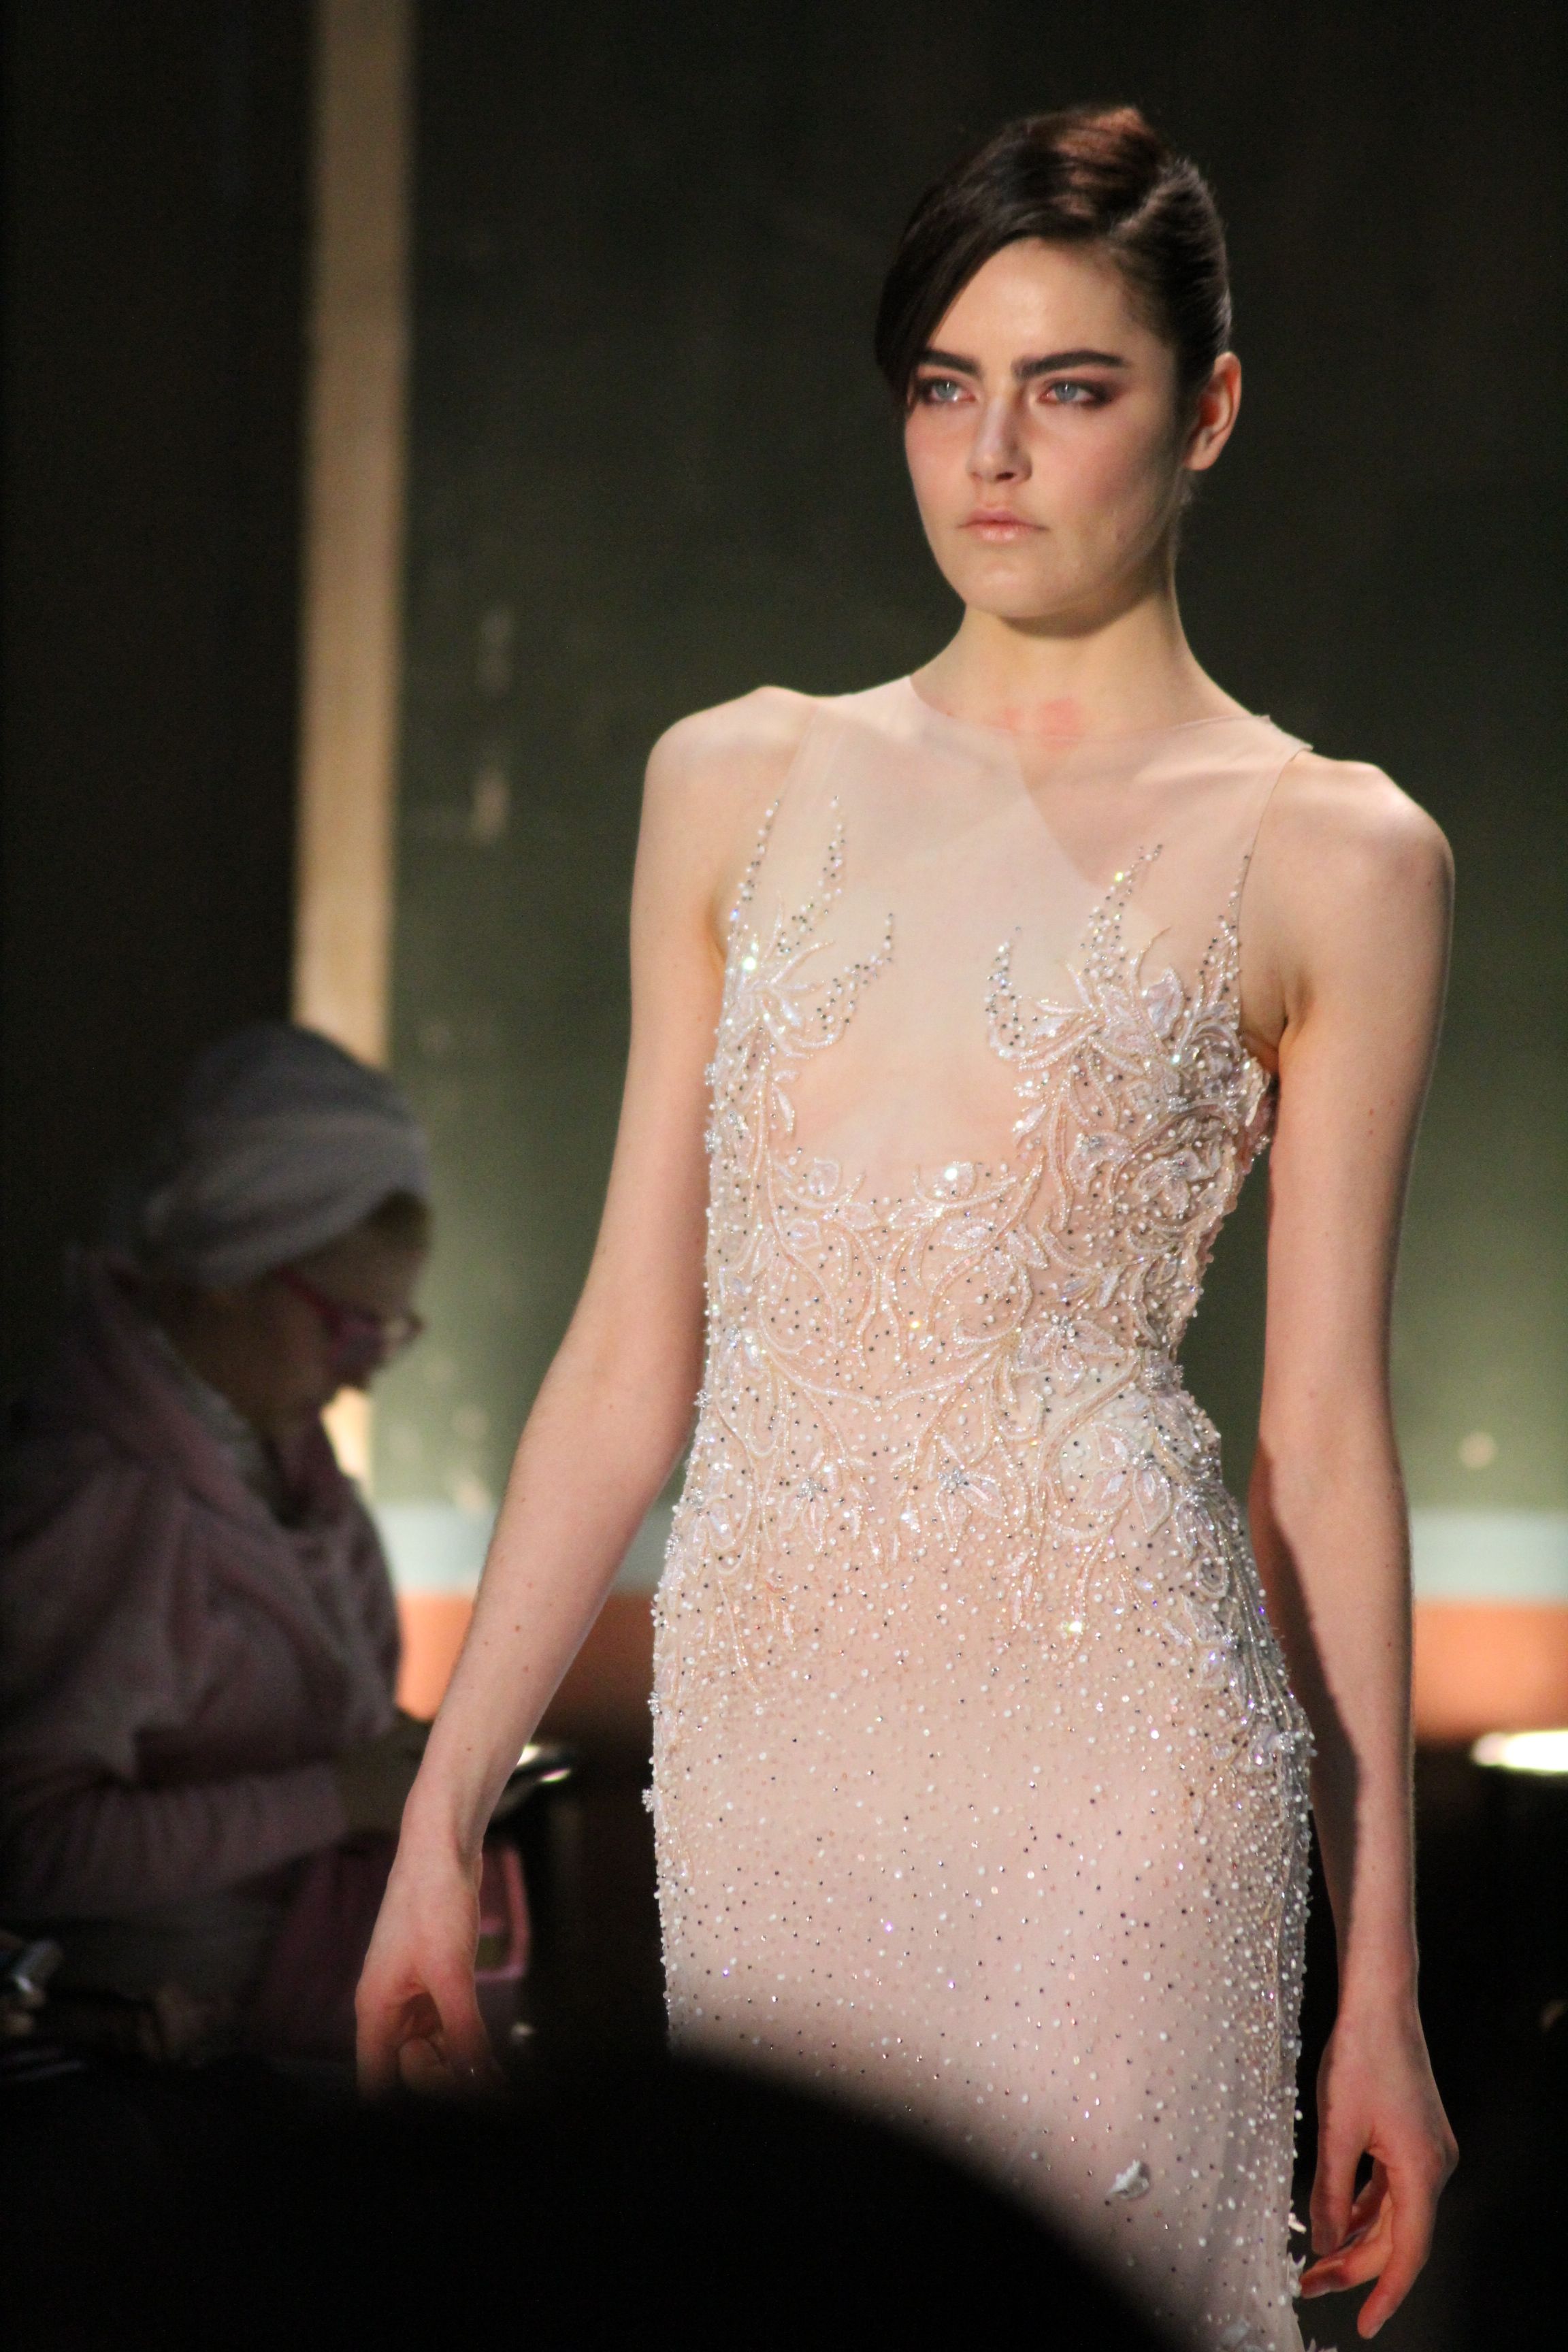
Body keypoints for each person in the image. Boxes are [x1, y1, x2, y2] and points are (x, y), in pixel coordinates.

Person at [357, 108, 1457, 2347]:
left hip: (1122, 1748)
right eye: (947, 385)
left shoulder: (1333, 851)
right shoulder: (734, 780)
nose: (994, 452)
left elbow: (1325, 1442)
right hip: (774, 1745)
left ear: (1208, 409)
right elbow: (625, 1355)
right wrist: (440, 1808)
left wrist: (1382, 1984)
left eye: (1072, 387)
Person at [0, 1024, 436, 2055]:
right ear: (235, 1271)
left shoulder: (297, 1480)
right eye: (349, 1328)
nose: (364, 1375)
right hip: (156, 2090)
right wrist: (337, 1798)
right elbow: (31, 1847)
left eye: (390, 1337)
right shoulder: (103, 1499)